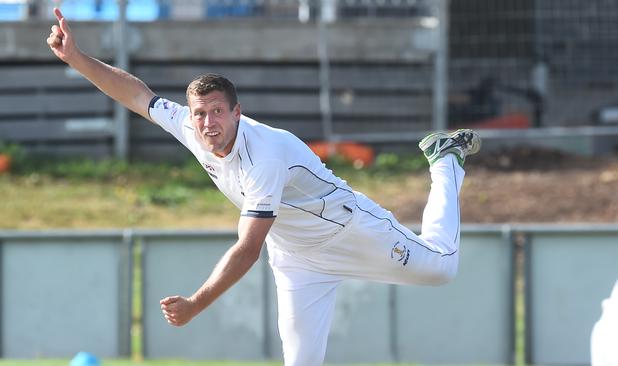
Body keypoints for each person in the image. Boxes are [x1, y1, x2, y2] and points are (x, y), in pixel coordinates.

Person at [47, 8, 481, 365]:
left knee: (442, 269)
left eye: (217, 111)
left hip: (348, 231)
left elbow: (247, 248)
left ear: (238, 112)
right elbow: (137, 96)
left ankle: (445, 160)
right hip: (296, 257)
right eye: (200, 113)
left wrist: (197, 303)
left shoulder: (266, 154)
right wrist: (77, 57)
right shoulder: (191, 126)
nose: (207, 122)